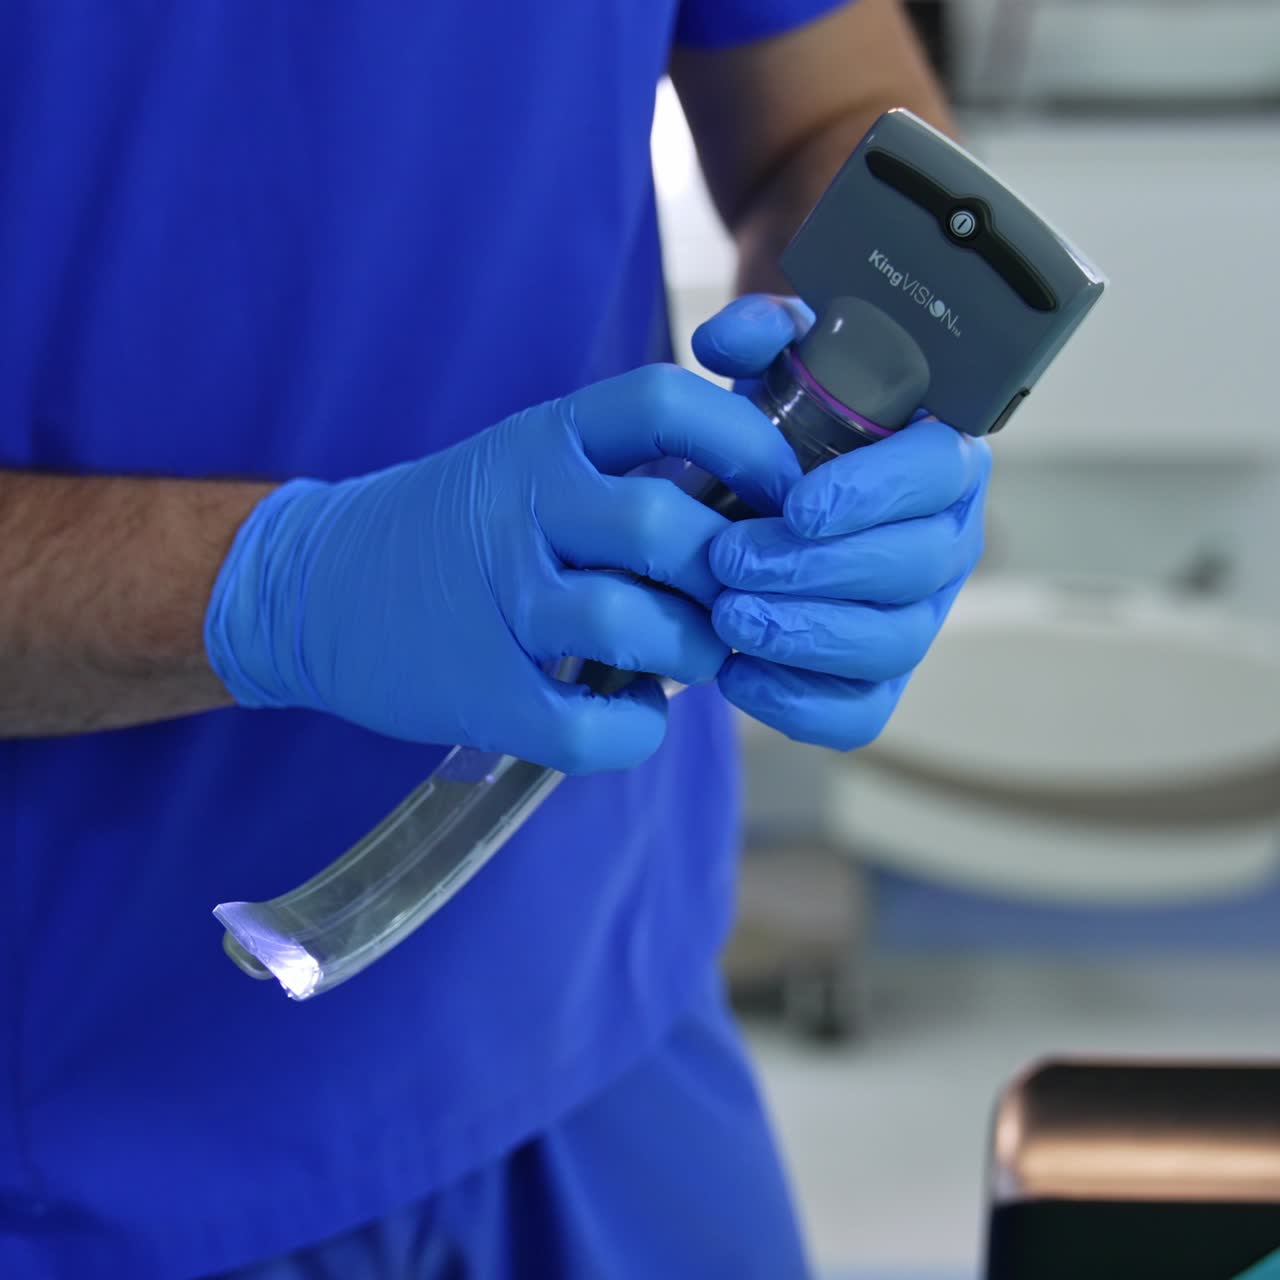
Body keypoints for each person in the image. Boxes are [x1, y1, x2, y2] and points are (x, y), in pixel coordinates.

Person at [0, 2, 988, 1276]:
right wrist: (273, 583)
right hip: (87, 1130)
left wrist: (851, 402)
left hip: (594, 1006)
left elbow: (825, 110)